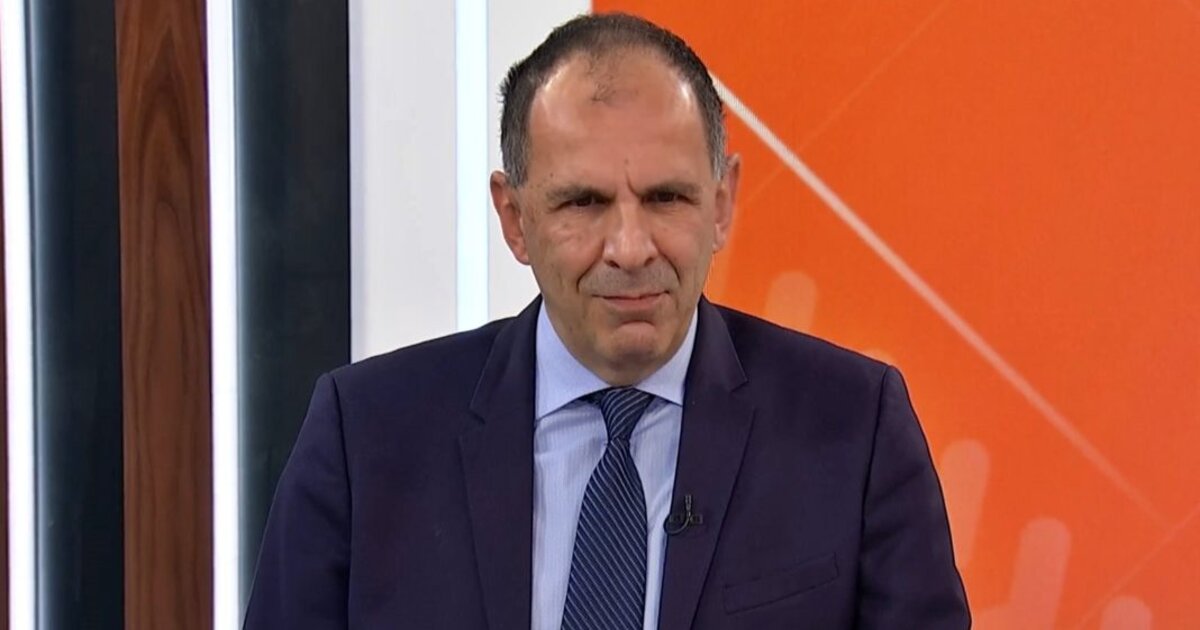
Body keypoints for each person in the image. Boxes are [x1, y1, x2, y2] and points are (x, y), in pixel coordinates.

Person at [244, 12, 970, 630]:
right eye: (584, 203)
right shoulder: (366, 435)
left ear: (721, 204)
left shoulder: (854, 429)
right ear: (514, 218)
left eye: (666, 198)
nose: (630, 248)